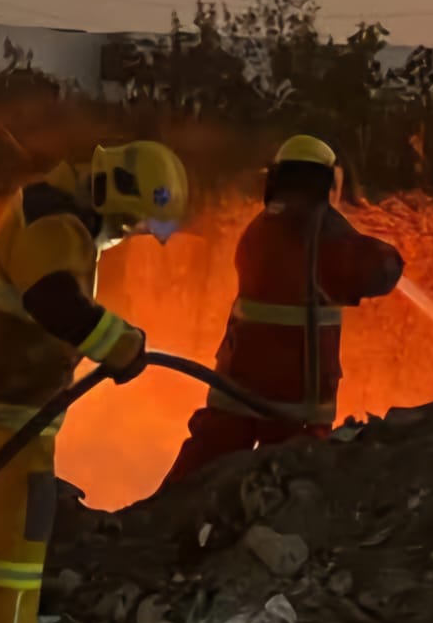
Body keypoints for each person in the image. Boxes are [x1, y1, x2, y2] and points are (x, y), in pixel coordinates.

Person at [0, 140, 188, 623]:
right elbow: (53, 302)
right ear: (109, 193)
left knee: (24, 522)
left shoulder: (60, 213)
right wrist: (120, 344)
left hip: (14, 401)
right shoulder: (53, 225)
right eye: (128, 222)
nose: (125, 234)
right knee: (16, 533)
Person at [159, 135, 402, 489]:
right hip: (295, 408)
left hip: (237, 389)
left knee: (195, 478)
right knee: (287, 496)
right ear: (327, 182)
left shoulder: (259, 228)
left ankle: (150, 522)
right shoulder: (324, 234)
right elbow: (378, 272)